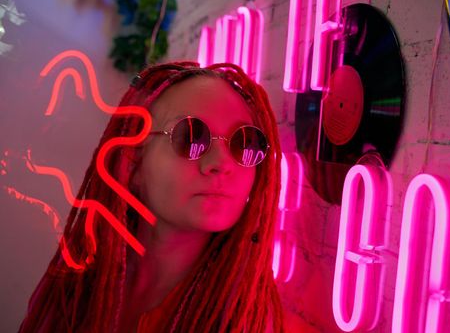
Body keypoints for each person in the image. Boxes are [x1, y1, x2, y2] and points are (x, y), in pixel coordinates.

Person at [19, 62, 285, 332]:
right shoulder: (72, 293)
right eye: (190, 136)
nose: (221, 163)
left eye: (245, 143)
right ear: (133, 162)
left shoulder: (248, 321)